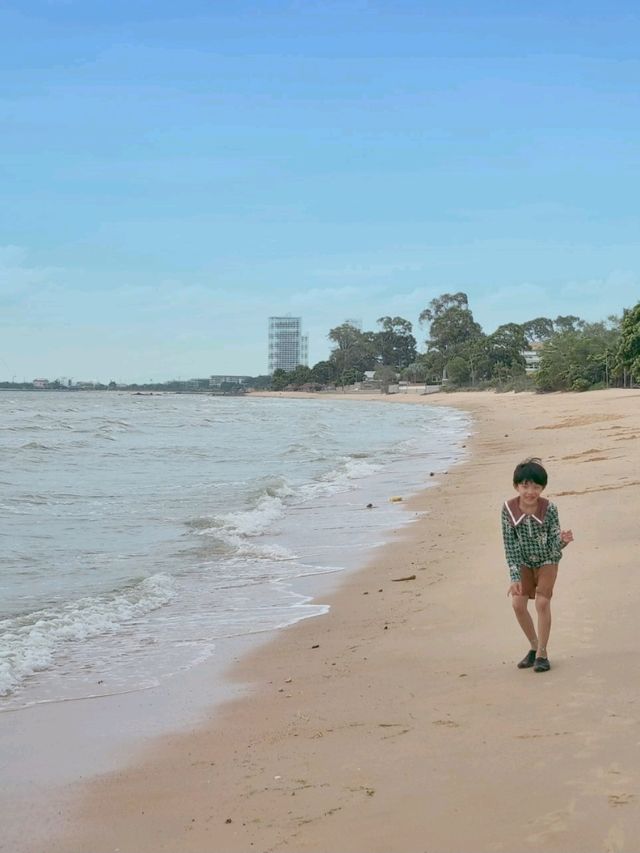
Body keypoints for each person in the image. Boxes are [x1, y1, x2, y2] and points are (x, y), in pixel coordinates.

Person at [502, 458, 573, 673]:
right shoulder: (508, 510)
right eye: (525, 485)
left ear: (542, 488)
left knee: (542, 603)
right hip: (522, 561)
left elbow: (554, 543)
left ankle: (542, 653)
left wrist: (563, 541)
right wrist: (514, 576)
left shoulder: (550, 508)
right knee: (517, 605)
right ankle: (533, 646)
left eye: (536, 486)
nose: (530, 491)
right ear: (516, 486)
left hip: (547, 560)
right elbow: (510, 545)